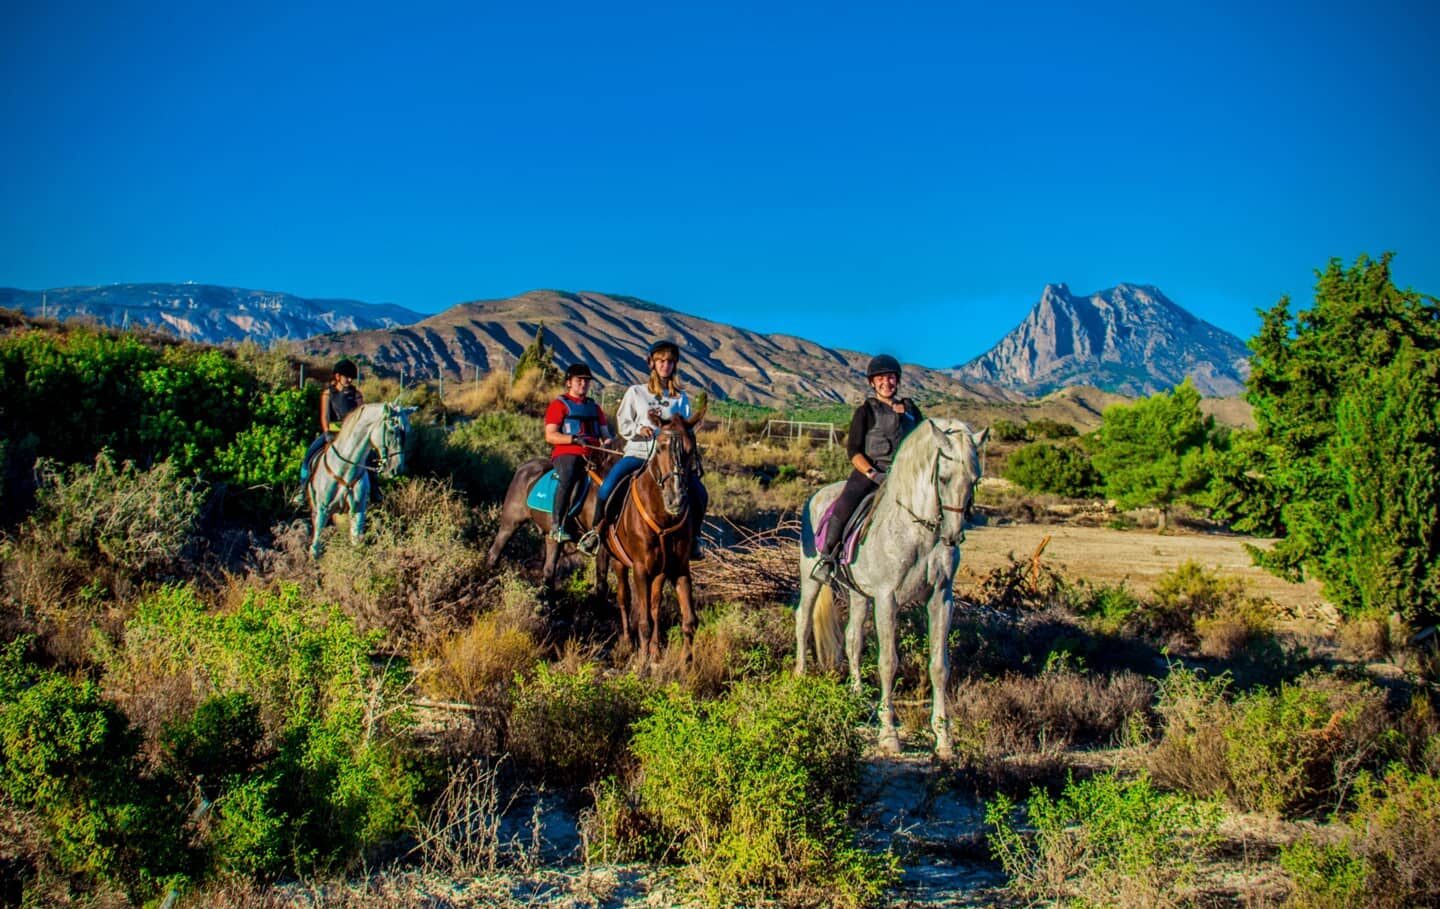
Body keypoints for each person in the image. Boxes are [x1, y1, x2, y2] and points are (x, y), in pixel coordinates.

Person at [579, 340, 708, 559]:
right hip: (638, 453)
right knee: (607, 487)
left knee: (700, 493)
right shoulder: (636, 392)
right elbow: (623, 422)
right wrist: (640, 429)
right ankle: (596, 532)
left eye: (669, 361)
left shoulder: (680, 398)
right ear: (652, 364)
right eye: (660, 361)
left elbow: (685, 429)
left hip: (669, 461)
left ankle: (694, 538)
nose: (665, 365)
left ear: (674, 365)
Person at [811, 354, 923, 583]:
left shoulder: (912, 411)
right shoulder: (866, 411)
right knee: (844, 504)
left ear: (897, 380)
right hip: (872, 472)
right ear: (872, 383)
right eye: (880, 379)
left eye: (891, 378)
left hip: (907, 475)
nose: (886, 383)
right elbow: (853, 450)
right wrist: (873, 473)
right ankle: (828, 558)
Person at [543, 363, 613, 542]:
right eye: (579, 380)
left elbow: (605, 434)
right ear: (569, 382)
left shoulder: (595, 408)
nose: (583, 384)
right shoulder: (559, 405)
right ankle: (557, 525)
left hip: (595, 453)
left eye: (586, 381)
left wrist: (607, 442)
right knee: (568, 474)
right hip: (568, 452)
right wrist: (572, 439)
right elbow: (550, 435)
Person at [296, 358, 365, 501]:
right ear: (338, 376)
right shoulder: (328, 394)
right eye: (347, 377)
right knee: (309, 455)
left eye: (352, 377)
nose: (350, 380)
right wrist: (327, 432)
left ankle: (375, 490)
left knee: (369, 458)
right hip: (332, 433)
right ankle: (302, 489)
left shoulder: (356, 395)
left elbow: (360, 416)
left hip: (351, 435)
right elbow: (325, 416)